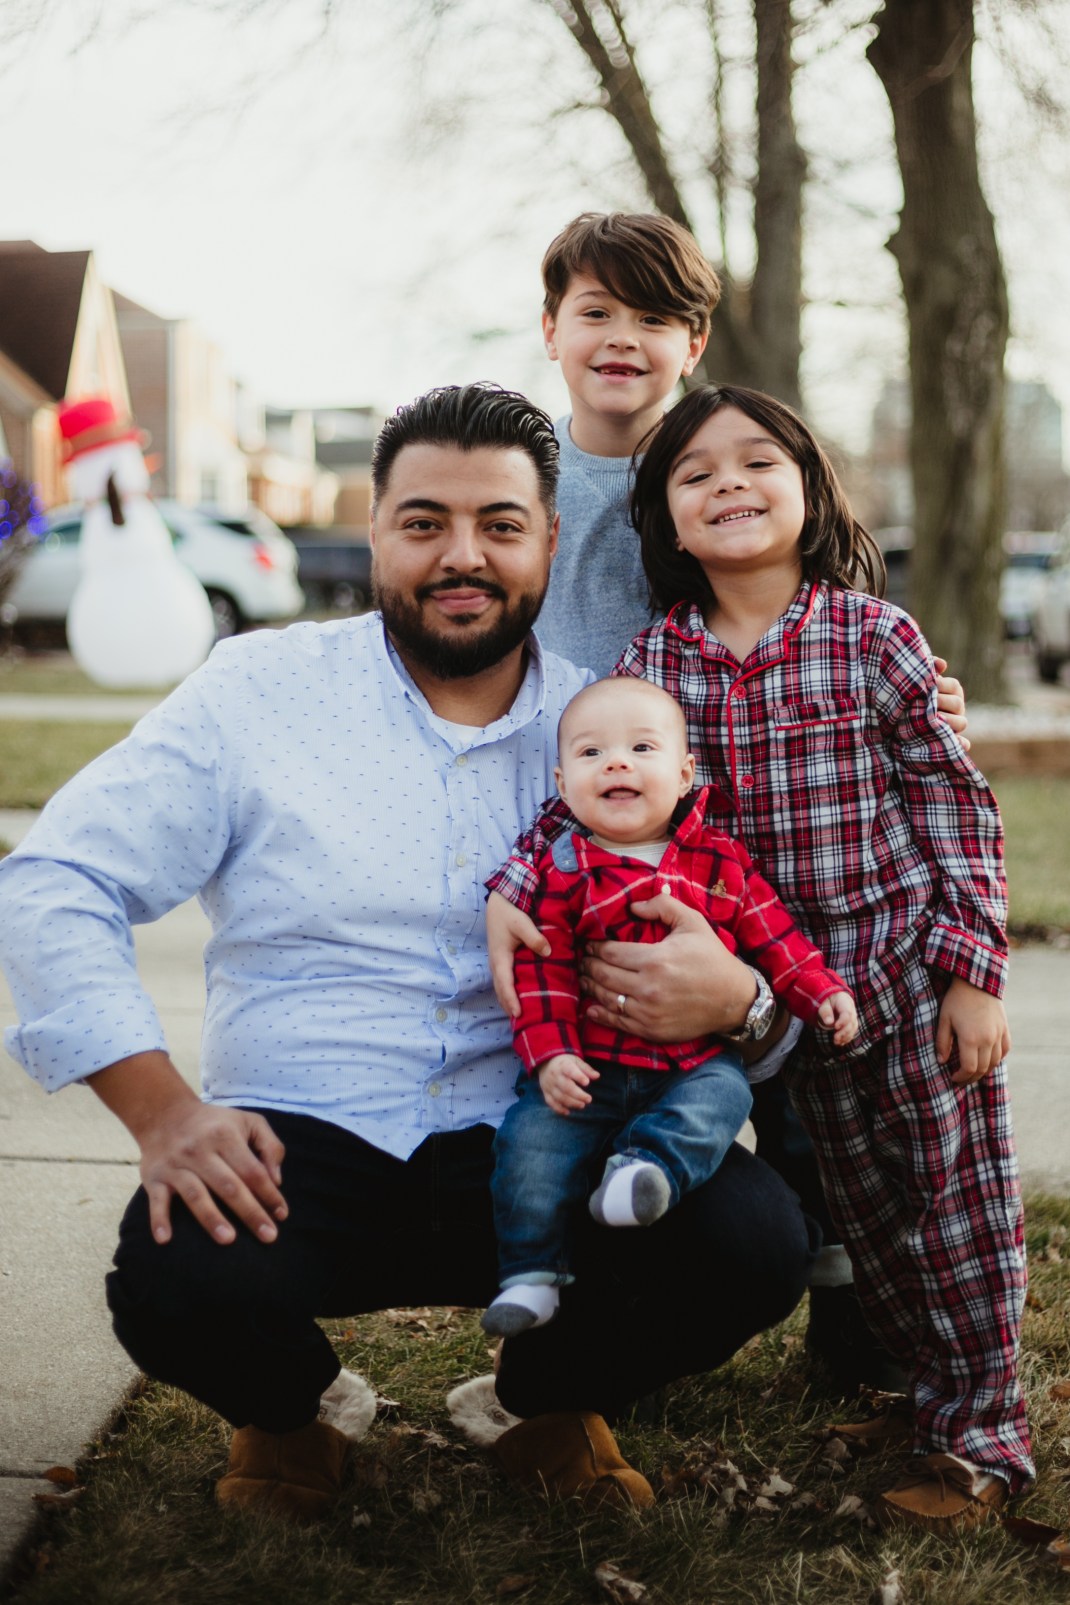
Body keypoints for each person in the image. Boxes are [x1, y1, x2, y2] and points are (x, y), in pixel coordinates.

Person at [0, 383, 817, 1524]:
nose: (461, 556)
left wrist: (741, 1004)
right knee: (173, 1275)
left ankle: (540, 1397)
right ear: (376, 531)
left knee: (750, 1244)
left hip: (549, 1127)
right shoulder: (258, 692)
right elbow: (58, 876)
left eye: (499, 524)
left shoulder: (613, 730)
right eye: (424, 522)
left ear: (549, 539)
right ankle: (296, 1411)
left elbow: (770, 880)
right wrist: (163, 1113)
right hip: (302, 1133)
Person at [489, 383, 1032, 1534]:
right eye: (695, 475)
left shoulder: (871, 637)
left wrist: (970, 970)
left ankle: (979, 1441)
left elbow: (954, 805)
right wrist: (513, 887)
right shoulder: (656, 663)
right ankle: (916, 1395)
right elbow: (597, 791)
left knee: (952, 1207)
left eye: (756, 463)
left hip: (902, 974)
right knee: (856, 1215)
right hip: (773, 1001)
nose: (727, 484)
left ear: (807, 490)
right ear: (666, 524)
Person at [498, 209, 970, 1393]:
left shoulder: (729, 468)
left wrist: (924, 698)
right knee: (600, 1074)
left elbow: (820, 615)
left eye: (652, 316)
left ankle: (849, 1313)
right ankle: (580, 1327)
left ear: (693, 340)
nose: (621, 338)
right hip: (587, 829)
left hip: (748, 838)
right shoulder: (525, 483)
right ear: (549, 328)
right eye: (594, 312)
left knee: (804, 1103)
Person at [483, 677, 856, 1339]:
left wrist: (822, 990)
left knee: (725, 1096)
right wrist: (551, 1056)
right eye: (592, 753)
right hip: (589, 1067)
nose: (616, 763)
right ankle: (532, 1272)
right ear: (563, 785)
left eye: (641, 748)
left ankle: (647, 1169)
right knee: (530, 1144)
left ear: (684, 775)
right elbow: (542, 972)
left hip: (690, 1064)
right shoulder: (562, 869)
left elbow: (776, 938)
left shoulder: (721, 862)